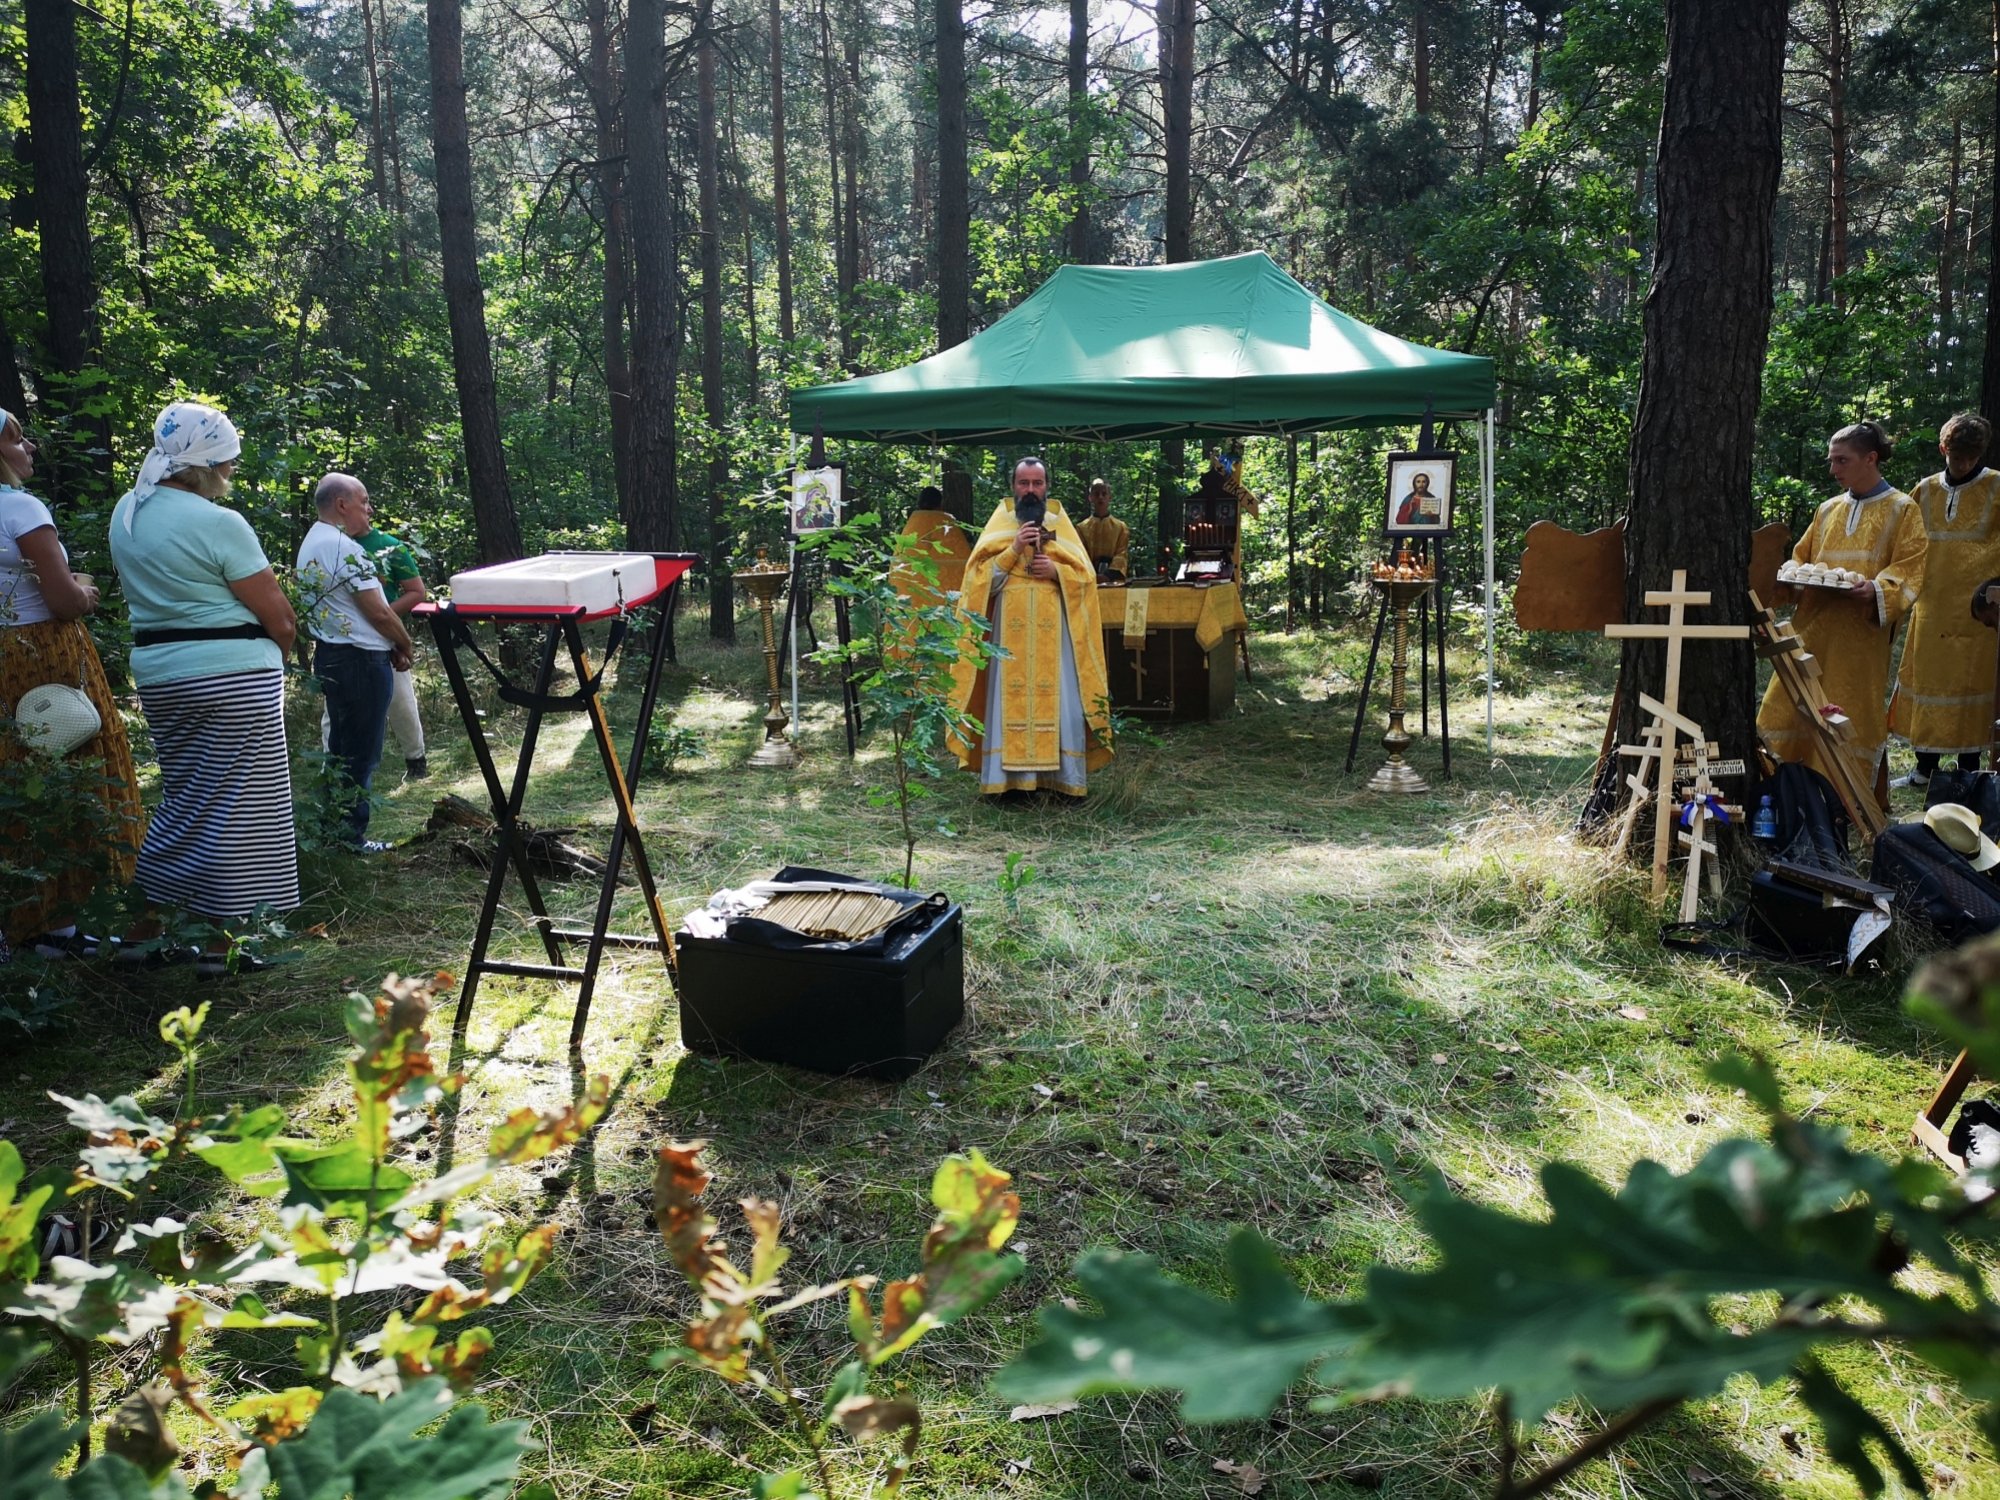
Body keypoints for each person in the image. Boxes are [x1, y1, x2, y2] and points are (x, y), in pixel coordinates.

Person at [109, 400, 300, 938]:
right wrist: (276, 661)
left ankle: (144, 931)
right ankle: (226, 939)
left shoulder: (129, 511)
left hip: (159, 674)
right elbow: (280, 619)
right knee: (242, 807)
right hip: (234, 672)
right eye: (228, 461)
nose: (232, 472)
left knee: (184, 800)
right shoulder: (219, 522)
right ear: (207, 463)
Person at [0, 409, 143, 962]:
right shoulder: (21, 507)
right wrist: (85, 589)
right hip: (46, 658)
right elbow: (60, 601)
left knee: (19, 776)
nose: (28, 446)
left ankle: (25, 921)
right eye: (15, 439)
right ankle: (59, 925)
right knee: (74, 765)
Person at [1756, 421, 1928, 792]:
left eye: (1841, 461)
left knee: (1850, 710)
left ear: (1870, 458)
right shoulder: (1828, 509)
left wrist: (1877, 589)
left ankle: (1841, 797)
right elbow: (1800, 561)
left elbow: (1911, 567)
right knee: (1787, 703)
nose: (1833, 469)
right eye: (1831, 461)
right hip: (1810, 630)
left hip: (1860, 638)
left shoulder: (1903, 509)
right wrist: (1785, 579)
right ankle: (1782, 789)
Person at [946, 457, 1113, 798]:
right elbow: (977, 585)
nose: (1031, 490)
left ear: (1046, 486)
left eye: (1037, 483)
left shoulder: (1060, 524)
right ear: (1014, 486)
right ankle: (1007, 784)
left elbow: (1086, 579)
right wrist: (1014, 549)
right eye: (1024, 483)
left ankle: (1062, 782)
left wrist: (1057, 572)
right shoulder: (999, 525)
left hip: (1058, 640)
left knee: (1061, 702)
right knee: (1006, 704)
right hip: (1008, 636)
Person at [298, 473, 415, 850]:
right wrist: (404, 642)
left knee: (341, 750)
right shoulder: (340, 546)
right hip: (360, 663)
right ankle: (350, 841)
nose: (369, 509)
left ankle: (334, 835)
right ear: (341, 504)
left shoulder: (313, 543)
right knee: (360, 754)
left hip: (336, 656)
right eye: (363, 500)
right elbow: (378, 613)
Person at [1888, 413, 2000, 787]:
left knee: (1972, 682)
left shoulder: (1997, 487)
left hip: (1979, 610)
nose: (1963, 464)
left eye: (1970, 457)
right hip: (1933, 605)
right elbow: (1908, 543)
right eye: (1956, 457)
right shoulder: (1925, 490)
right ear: (1943, 449)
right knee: (1929, 681)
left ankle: (1969, 767)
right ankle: (1925, 767)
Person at [321, 522, 430, 780]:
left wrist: (383, 619)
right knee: (334, 706)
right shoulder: (330, 546)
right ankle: (331, 770)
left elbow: (417, 591)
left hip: (384, 634)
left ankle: (416, 761)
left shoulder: (390, 547)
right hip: (343, 642)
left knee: (400, 700)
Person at [1074, 478, 1130, 581]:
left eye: (1104, 494)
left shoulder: (1121, 527)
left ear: (1110, 497)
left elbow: (1121, 554)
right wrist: (1092, 574)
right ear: (1091, 498)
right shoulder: (1081, 528)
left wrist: (1108, 575)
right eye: (1096, 494)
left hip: (1113, 579)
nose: (1100, 497)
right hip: (1089, 578)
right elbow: (1080, 554)